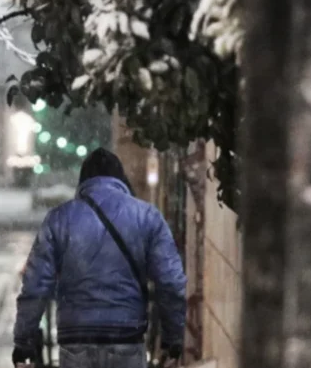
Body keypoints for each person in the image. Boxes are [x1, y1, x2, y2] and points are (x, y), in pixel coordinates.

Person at [13, 148, 187, 368]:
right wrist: (173, 340)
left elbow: (35, 286)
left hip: (76, 341)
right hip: (127, 340)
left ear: (84, 181)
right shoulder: (147, 217)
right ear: (120, 179)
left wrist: (23, 341)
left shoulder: (59, 219)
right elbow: (171, 283)